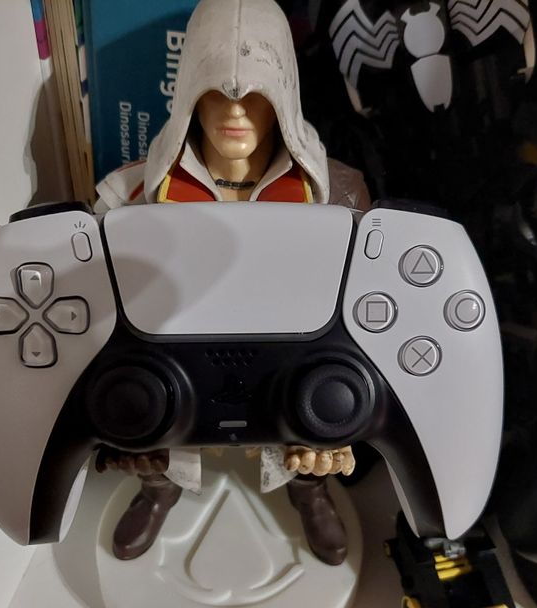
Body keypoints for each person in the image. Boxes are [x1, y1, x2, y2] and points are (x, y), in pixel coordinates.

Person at [94, 0, 371, 566]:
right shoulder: (127, 198)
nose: (236, 110)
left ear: (284, 91)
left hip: (290, 364)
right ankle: (159, 485)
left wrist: (338, 429)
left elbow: (362, 323)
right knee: (151, 412)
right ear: (189, 92)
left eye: (257, 92)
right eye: (216, 91)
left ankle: (308, 487)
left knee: (316, 410)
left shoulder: (339, 196)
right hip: (176, 363)